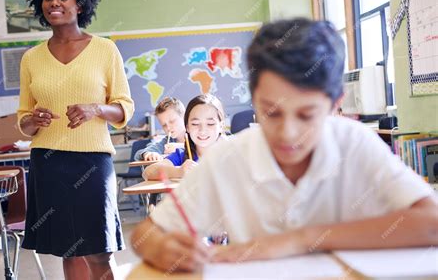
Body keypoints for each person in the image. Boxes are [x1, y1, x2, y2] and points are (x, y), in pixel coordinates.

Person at [130, 18, 438, 272]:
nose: (289, 133)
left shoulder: (355, 143)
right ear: (254, 100)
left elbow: (432, 223)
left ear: (335, 105)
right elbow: (145, 235)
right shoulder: (229, 158)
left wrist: (303, 239)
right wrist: (163, 247)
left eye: (307, 115)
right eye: (272, 112)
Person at [18, 0, 134, 279]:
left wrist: (96, 109)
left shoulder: (105, 49)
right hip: (48, 161)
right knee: (68, 250)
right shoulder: (31, 58)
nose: (54, 2)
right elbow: (23, 122)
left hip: (93, 162)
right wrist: (33, 119)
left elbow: (124, 107)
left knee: (99, 249)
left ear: (79, 4)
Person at [142, 94, 226, 180]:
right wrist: (179, 171)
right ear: (187, 127)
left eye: (210, 124)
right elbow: (148, 173)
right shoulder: (182, 154)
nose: (202, 130)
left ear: (221, 126)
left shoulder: (233, 151)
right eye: (195, 124)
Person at [134, 97, 186, 162]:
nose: (168, 128)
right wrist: (148, 154)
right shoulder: (167, 142)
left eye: (172, 121)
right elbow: (138, 155)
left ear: (184, 116)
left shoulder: (195, 135)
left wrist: (182, 146)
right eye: (164, 125)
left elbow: (200, 147)